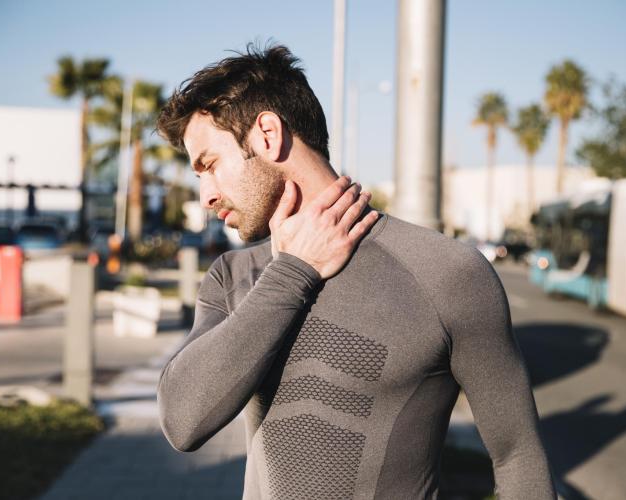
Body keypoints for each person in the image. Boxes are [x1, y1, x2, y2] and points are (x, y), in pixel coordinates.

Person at [155, 44, 557, 500]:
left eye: (209, 165)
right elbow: (182, 423)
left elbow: (518, 455)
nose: (206, 196)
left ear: (267, 134)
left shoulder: (447, 272)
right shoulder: (233, 276)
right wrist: (292, 273)